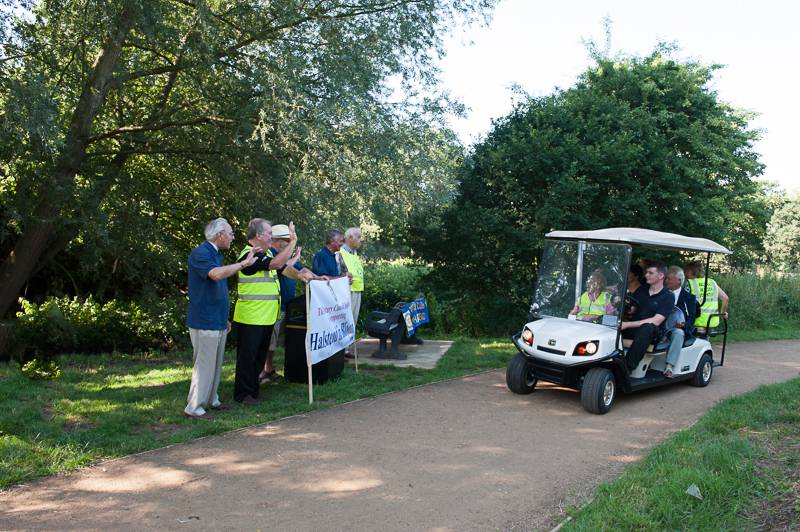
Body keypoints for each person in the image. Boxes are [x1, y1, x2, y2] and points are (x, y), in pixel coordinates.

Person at [184, 218, 258, 420]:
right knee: (204, 364)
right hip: (204, 319)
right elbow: (215, 275)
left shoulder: (214, 254)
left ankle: (211, 400)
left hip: (216, 319)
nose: (233, 237)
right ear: (220, 235)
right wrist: (244, 263)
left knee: (215, 363)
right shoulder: (201, 253)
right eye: (231, 233)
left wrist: (224, 318)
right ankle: (194, 407)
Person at [232, 219, 299, 405]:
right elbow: (277, 264)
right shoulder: (249, 255)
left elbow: (285, 269)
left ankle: (253, 391)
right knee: (248, 357)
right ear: (259, 236)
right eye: (269, 233)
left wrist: (308, 277)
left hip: (266, 316)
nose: (272, 236)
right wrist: (292, 242)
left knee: (259, 357)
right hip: (251, 317)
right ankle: (243, 394)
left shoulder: (267, 252)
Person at [260, 223, 316, 384]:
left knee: (274, 342)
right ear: (277, 240)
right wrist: (297, 265)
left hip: (286, 306)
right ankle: (263, 371)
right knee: (269, 342)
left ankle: (268, 369)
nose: (288, 243)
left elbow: (301, 268)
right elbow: (286, 267)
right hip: (273, 306)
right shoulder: (271, 254)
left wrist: (318, 278)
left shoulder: (284, 256)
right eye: (286, 240)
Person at [620, 260, 674, 373]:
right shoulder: (641, 290)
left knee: (647, 327)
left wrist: (628, 324)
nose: (646, 275)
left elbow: (656, 321)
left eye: (650, 273)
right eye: (646, 272)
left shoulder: (668, 296)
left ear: (660, 276)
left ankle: (627, 369)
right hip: (634, 327)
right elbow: (632, 309)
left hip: (653, 332)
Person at [663, 266, 700, 378]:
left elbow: (692, 317)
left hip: (676, 328)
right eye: (666, 278)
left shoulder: (689, 298)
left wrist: (684, 325)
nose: (666, 281)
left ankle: (669, 366)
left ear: (679, 280)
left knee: (679, 333)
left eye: (669, 279)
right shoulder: (662, 294)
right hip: (660, 326)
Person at [684, 261, 729, 332]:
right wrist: (722, 314)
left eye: (686, 271)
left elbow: (683, 301)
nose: (685, 274)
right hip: (712, 322)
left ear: (692, 272)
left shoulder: (690, 283)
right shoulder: (712, 282)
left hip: (697, 322)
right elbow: (725, 298)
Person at [340, 227, 364, 358]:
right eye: (358, 237)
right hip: (347, 291)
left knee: (352, 321)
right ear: (350, 238)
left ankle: (346, 349)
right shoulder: (341, 252)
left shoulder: (353, 253)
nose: (361, 240)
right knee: (345, 320)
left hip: (356, 289)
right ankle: (341, 350)